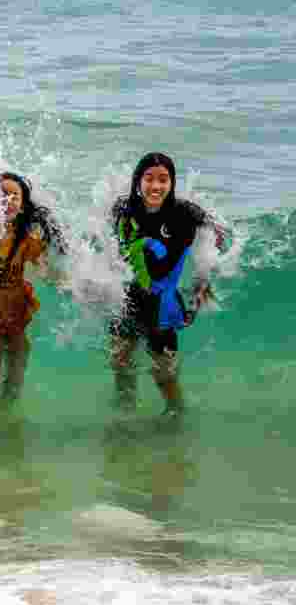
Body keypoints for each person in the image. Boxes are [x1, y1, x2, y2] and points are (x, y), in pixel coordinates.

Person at [107, 152, 225, 417]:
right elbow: (109, 242)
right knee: (119, 361)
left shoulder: (185, 212)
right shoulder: (123, 208)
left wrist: (203, 279)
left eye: (163, 179)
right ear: (139, 181)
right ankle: (125, 416)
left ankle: (175, 416)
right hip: (128, 297)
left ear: (172, 183)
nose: (156, 186)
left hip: (163, 304)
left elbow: (218, 236)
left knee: (164, 374)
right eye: (149, 178)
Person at [0, 172, 66, 403]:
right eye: (2, 194)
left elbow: (44, 269)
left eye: (15, 195)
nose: (8, 200)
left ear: (23, 205)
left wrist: (70, 284)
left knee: (14, 378)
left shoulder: (27, 239)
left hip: (17, 310)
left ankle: (7, 414)